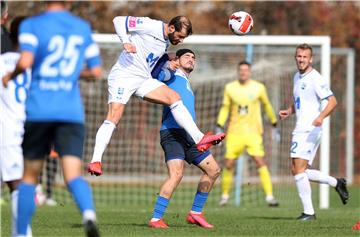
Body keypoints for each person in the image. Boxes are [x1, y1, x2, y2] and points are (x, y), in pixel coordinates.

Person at [2, 2, 102, 236]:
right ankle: (88, 213)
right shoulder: (81, 26)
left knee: (27, 179)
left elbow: (25, 61)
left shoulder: (32, 25)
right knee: (73, 175)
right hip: (70, 112)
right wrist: (71, 74)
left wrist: (11, 75)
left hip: (39, 111)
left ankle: (20, 233)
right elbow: (96, 72)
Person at [87, 15, 225, 176]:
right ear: (171, 28)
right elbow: (117, 20)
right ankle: (96, 160)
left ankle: (199, 138)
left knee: (174, 97)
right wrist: (125, 41)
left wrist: (167, 60)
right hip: (124, 76)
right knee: (114, 116)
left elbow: (152, 67)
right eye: (180, 37)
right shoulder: (150, 25)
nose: (181, 41)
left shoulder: (165, 42)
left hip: (143, 78)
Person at [148, 49, 221, 229]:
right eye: (187, 56)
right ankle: (156, 218)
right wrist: (166, 62)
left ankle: (195, 213)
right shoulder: (170, 76)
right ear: (177, 60)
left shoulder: (186, 81)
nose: (191, 59)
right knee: (177, 174)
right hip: (172, 133)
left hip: (189, 136)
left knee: (214, 170)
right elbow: (155, 74)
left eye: (193, 57)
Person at [278, 43, 349, 221]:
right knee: (298, 170)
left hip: (309, 129)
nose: (301, 59)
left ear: (311, 59)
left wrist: (321, 117)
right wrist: (289, 110)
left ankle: (309, 212)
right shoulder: (297, 76)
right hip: (302, 127)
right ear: (296, 57)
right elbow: (301, 101)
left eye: (305, 57)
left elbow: (332, 101)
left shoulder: (315, 78)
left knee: (298, 170)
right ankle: (337, 182)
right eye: (299, 56)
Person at [217, 61, 279, 207]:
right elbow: (225, 107)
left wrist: (274, 123)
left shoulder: (259, 87)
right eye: (241, 70)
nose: (243, 72)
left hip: (253, 133)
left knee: (260, 161)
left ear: (250, 72)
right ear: (238, 72)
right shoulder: (230, 87)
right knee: (229, 163)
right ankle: (225, 196)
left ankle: (270, 196)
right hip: (234, 133)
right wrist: (219, 125)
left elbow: (267, 105)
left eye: (246, 70)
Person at [0, 16, 32, 237]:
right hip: (22, 133)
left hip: (7, 130)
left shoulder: (2, 62)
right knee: (18, 187)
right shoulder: (34, 67)